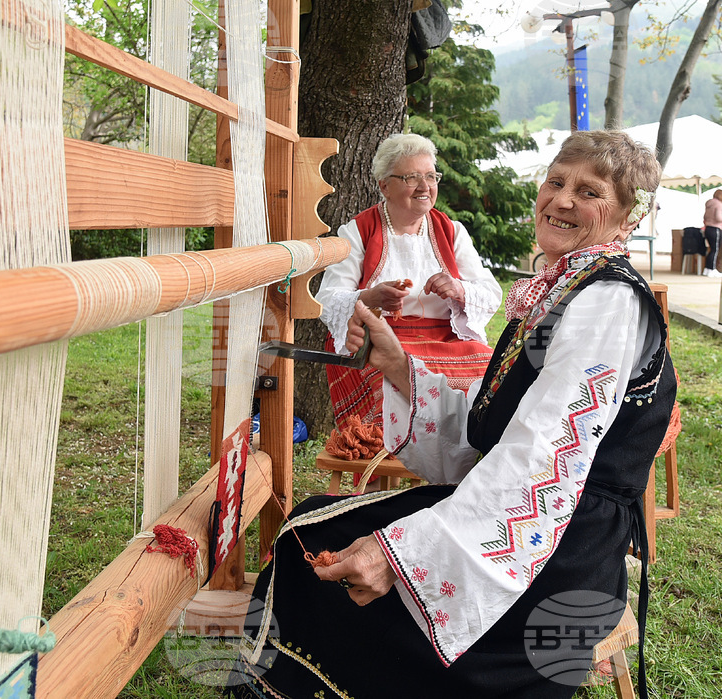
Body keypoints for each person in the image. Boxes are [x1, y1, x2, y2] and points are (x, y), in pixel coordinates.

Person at [230, 131, 674, 699]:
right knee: (312, 525)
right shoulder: (570, 288)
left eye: (588, 192)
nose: (561, 200)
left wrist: (406, 557)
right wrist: (399, 369)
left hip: (557, 552)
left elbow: (544, 461)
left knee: (307, 548)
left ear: (628, 216)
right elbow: (502, 423)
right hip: (539, 525)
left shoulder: (604, 301)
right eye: (556, 181)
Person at [316, 134, 501, 433]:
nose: (425, 187)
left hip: (447, 341)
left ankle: (463, 461)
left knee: (490, 378)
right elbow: (327, 299)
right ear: (384, 185)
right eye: (412, 177)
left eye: (430, 176)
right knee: (388, 384)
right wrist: (370, 297)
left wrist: (458, 288)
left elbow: (491, 293)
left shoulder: (452, 232)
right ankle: (386, 456)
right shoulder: (357, 231)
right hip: (383, 341)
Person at [702, 189, 722, 277]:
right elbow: (719, 217)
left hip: (708, 228)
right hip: (716, 228)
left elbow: (705, 216)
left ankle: (707, 269)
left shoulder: (709, 204)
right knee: (715, 250)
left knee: (711, 249)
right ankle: (712, 269)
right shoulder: (719, 204)